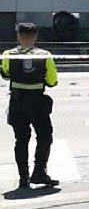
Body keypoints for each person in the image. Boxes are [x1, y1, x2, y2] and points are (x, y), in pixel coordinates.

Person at [1, 23, 59, 189]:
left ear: (18, 36)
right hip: (37, 104)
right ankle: (39, 172)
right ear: (35, 37)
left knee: (21, 140)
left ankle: (23, 178)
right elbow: (52, 81)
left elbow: (5, 74)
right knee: (45, 136)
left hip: (17, 103)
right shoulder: (45, 55)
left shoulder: (8, 54)